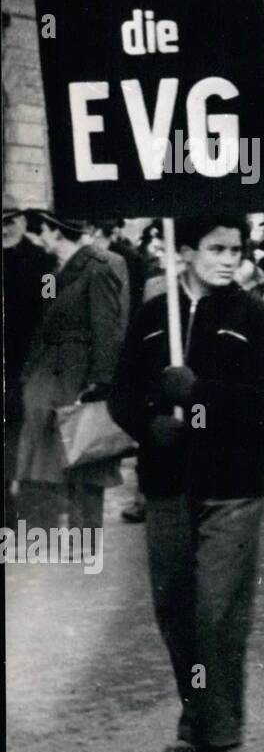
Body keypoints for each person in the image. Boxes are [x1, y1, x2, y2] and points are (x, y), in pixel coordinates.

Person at [109, 214, 264, 752]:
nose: (229, 258)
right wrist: (148, 420)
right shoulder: (150, 318)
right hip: (168, 484)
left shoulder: (256, 318)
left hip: (233, 486)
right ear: (184, 252)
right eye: (215, 248)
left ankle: (225, 732)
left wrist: (202, 396)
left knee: (218, 612)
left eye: (236, 249)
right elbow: (121, 392)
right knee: (176, 609)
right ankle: (195, 718)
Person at [15, 212, 124, 549]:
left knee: (85, 456)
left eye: (42, 235)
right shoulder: (54, 270)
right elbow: (46, 317)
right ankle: (48, 537)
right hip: (50, 375)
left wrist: (99, 384)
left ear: (52, 231)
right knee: (48, 459)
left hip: (77, 376)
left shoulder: (99, 267)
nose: (40, 242)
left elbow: (107, 330)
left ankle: (85, 538)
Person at [3, 202, 55, 526]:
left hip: (28, 365)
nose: (4, 228)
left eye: (10, 220)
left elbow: (51, 310)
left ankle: (36, 514)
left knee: (30, 436)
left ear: (22, 222)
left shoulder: (43, 262)